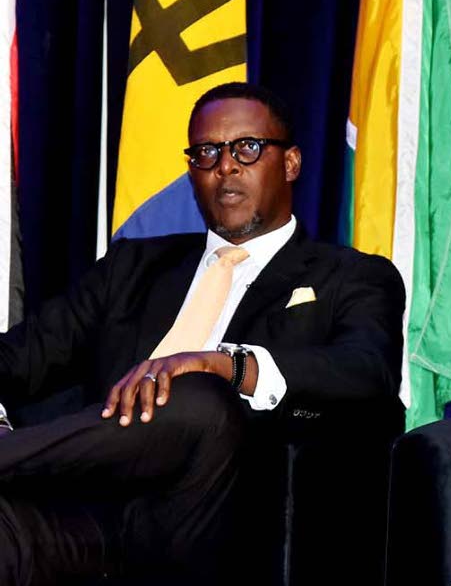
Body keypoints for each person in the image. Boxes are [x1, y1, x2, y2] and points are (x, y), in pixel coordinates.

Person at [0, 82, 405, 585]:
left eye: (247, 149)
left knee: (199, 395)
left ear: (291, 163)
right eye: (207, 152)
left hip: (212, 516)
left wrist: (224, 364)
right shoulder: (134, 266)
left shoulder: (350, 276)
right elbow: (19, 357)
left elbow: (367, 371)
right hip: (83, 518)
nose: (225, 167)